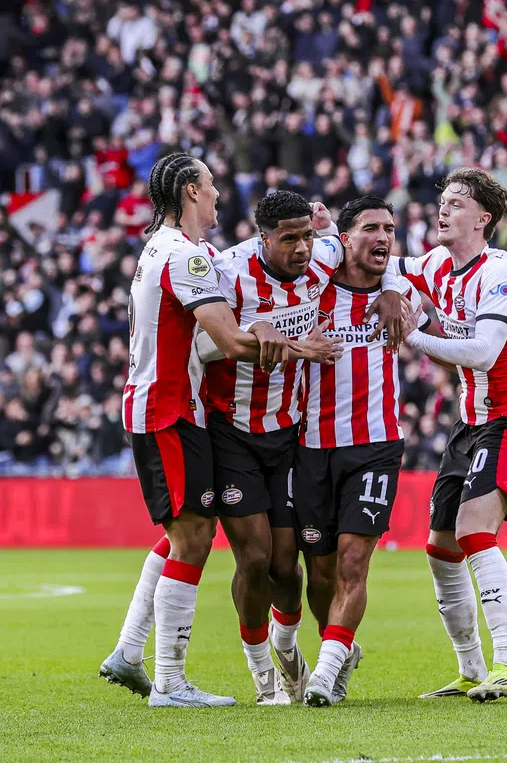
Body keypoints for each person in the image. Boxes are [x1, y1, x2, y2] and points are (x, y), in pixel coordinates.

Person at [200, 191, 410, 705]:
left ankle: (297, 650)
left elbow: (378, 249)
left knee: (291, 568)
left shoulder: (324, 256)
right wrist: (255, 329)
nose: (301, 248)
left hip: (290, 436)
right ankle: (263, 673)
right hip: (232, 432)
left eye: (307, 237)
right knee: (255, 561)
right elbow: (206, 344)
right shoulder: (229, 271)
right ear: (263, 238)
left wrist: (393, 286)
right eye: (288, 239)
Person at [98, 152, 290, 707]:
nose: (216, 195)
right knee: (194, 538)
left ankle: (130, 654)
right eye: (210, 186)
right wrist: (298, 346)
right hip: (167, 410)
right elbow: (227, 343)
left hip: (178, 408)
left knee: (187, 528)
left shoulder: (171, 249)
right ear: (188, 191)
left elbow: (205, 340)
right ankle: (170, 681)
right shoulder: (184, 256)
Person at [398, 168, 507, 702]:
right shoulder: (437, 264)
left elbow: (484, 352)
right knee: (440, 547)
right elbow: (387, 270)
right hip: (470, 420)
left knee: (473, 530)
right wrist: (334, 238)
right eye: (442, 201)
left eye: (457, 203)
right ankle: (470, 668)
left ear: (483, 219)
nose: (444, 209)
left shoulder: (501, 271)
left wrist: (412, 333)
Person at [293, 195, 429, 707]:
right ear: (343, 239)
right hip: (310, 446)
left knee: (354, 561)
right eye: (371, 227)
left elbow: (439, 291)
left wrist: (394, 288)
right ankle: (342, 650)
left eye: (390, 228)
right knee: (320, 571)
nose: (383, 236)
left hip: (375, 445)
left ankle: (324, 677)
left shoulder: (402, 286)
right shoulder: (313, 286)